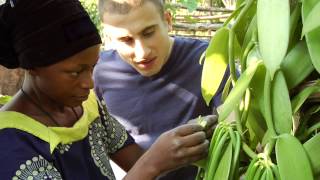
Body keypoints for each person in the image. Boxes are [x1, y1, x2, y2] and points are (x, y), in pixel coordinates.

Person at [0, 0, 214, 179]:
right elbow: (146, 167)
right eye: (76, 72)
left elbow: (136, 162)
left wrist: (184, 143)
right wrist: (152, 163)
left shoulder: (87, 106)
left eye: (92, 67)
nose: (90, 83)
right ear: (33, 68)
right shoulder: (11, 144)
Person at [93, 0, 229, 178]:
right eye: (126, 40)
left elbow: (237, 126)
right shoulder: (97, 74)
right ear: (108, 36)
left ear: (167, 20)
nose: (142, 52)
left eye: (148, 33)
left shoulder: (209, 61)